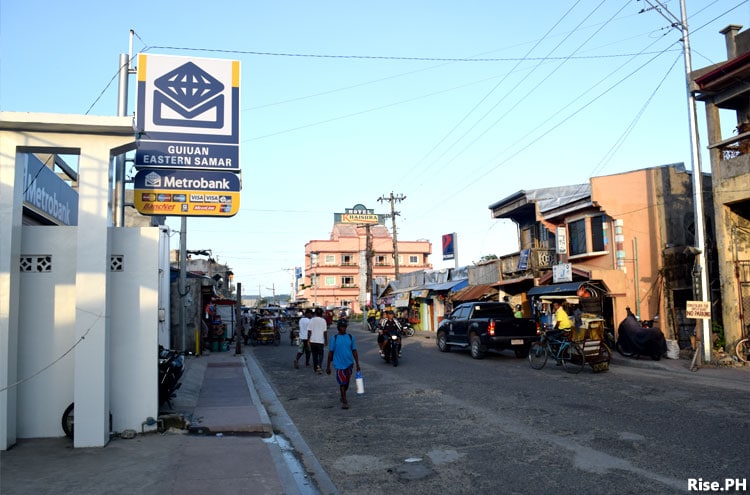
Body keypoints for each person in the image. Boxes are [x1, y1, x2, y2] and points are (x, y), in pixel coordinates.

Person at [326, 319, 360, 409]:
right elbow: (330, 353)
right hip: (339, 365)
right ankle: (344, 401)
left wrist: (357, 364)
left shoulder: (350, 337)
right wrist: (328, 366)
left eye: (345, 327)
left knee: (347, 383)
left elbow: (354, 350)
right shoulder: (334, 338)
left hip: (349, 363)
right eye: (342, 327)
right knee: (342, 383)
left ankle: (343, 394)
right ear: (338, 328)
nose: (343, 328)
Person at [307, 307, 328, 374]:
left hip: (313, 340)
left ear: (315, 313)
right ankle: (319, 365)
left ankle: (315, 368)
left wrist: (308, 339)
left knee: (314, 355)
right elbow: (325, 332)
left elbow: (309, 331)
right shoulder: (323, 321)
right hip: (320, 340)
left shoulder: (311, 320)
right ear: (321, 313)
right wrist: (326, 340)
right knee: (321, 354)